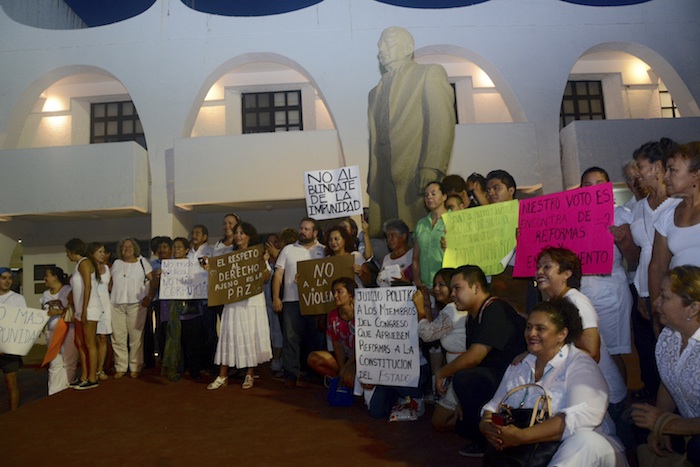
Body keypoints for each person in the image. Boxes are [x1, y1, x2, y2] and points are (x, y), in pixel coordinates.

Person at [480, 300, 626, 466]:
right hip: (531, 454)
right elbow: (493, 408)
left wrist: (521, 436)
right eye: (528, 327)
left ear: (561, 334)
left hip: (588, 454)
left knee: (585, 440)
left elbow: (577, 420)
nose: (531, 333)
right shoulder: (520, 365)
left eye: (540, 328)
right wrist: (489, 428)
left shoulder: (580, 365)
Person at [367, 26, 455, 236]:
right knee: (393, 237)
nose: (380, 47)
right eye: (380, 43)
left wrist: (432, 166)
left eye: (386, 42)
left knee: (422, 234)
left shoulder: (428, 74)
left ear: (408, 47)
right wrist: (373, 177)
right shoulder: (374, 92)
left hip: (413, 170)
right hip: (384, 175)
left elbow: (441, 121)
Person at [435, 265, 527, 457]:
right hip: (493, 378)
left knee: (465, 378)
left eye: (457, 288)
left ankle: (489, 442)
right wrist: (463, 398)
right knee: (461, 425)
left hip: (515, 383)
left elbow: (474, 357)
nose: (452, 294)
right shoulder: (472, 317)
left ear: (476, 287)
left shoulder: (495, 309)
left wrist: (442, 372)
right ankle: (483, 435)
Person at [535, 247, 627, 423]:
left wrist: (547, 354)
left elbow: (592, 353)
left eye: (547, 267)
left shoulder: (577, 302)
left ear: (566, 274)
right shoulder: (553, 304)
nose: (539, 272)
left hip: (605, 399)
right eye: (538, 267)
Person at [631, 266, 700, 464]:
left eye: (665, 297)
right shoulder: (668, 335)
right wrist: (658, 425)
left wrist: (666, 425)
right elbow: (669, 380)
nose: (656, 302)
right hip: (686, 422)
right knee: (636, 420)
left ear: (693, 308)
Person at [629, 139, 680, 398]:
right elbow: (639, 256)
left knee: (673, 357)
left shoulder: (677, 205)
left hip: (669, 291)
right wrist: (641, 294)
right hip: (643, 291)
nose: (637, 173)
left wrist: (659, 297)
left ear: (658, 167)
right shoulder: (639, 206)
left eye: (641, 167)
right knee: (649, 357)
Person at [579, 167, 634, 380]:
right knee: (586, 350)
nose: (594, 189)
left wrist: (623, 240)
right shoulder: (573, 218)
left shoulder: (620, 214)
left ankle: (621, 402)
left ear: (608, 187)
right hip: (582, 290)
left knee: (610, 351)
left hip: (610, 289)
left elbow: (634, 258)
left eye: (600, 183)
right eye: (587, 185)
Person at [208, 222, 272, 390]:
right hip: (233, 302)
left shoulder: (258, 254)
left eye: (242, 233)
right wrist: (209, 268)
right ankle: (222, 375)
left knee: (250, 335)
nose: (238, 236)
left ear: (249, 236)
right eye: (237, 233)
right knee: (228, 335)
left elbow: (266, 277)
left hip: (252, 302)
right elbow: (218, 276)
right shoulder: (229, 256)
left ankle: (250, 374)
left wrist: (263, 262)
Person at [272, 218, 326, 388]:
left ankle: (314, 374)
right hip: (291, 301)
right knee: (291, 339)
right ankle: (291, 374)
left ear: (315, 233)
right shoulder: (288, 249)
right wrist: (276, 298)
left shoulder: (323, 250)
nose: (303, 231)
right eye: (301, 228)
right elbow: (278, 275)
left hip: (315, 302)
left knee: (315, 338)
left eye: (307, 229)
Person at [412, 268, 469, 432]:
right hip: (456, 370)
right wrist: (427, 307)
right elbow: (435, 331)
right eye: (435, 284)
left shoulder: (452, 309)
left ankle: (471, 423)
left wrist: (420, 309)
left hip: (461, 371)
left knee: (438, 422)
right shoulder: (452, 308)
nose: (436, 288)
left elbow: (427, 334)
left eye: (442, 285)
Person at [649, 142, 700, 320]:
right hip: (679, 307)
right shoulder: (667, 216)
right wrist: (658, 307)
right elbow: (657, 267)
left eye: (673, 170)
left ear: (696, 175)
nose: (666, 177)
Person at [485, 169, 530, 315]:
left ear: (511, 190)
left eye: (496, 188)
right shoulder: (482, 219)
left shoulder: (526, 214)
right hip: (486, 280)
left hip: (514, 280)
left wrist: (525, 238)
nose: (491, 193)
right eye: (488, 190)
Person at [161, 237, 206, 382]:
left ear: (187, 250)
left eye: (179, 247)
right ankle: (176, 369)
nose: (176, 250)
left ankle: (195, 369)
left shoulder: (194, 265)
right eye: (174, 247)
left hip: (191, 311)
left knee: (193, 342)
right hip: (174, 312)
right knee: (175, 341)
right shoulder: (167, 266)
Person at [110, 237, 153, 379]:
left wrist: (149, 297)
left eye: (129, 246)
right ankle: (120, 366)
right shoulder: (116, 264)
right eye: (124, 247)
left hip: (137, 304)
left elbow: (153, 281)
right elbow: (109, 283)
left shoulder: (143, 262)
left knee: (136, 337)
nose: (126, 249)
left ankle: (135, 366)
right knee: (118, 337)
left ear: (135, 248)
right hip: (116, 304)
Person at [307, 277, 357, 388]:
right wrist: (341, 367)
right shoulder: (332, 316)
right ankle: (336, 379)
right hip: (345, 358)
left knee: (350, 378)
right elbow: (336, 344)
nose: (335, 296)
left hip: (358, 359)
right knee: (313, 358)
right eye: (334, 292)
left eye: (339, 292)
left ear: (350, 295)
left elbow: (361, 346)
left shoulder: (361, 314)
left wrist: (346, 368)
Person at [65, 238, 100, 390]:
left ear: (73, 251)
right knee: (79, 343)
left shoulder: (85, 263)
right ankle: (84, 375)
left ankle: (93, 377)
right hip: (80, 309)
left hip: (89, 308)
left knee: (89, 343)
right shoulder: (78, 265)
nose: (67, 255)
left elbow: (88, 287)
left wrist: (84, 310)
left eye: (67, 252)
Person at [40, 267, 78, 395]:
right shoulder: (45, 294)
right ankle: (53, 393)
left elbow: (74, 310)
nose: (45, 278)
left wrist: (58, 312)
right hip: (52, 332)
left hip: (68, 330)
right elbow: (42, 312)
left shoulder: (68, 291)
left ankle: (66, 391)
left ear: (55, 277)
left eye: (47, 276)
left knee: (69, 362)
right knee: (54, 363)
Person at [412, 181, 448, 289]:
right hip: (425, 285)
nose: (429, 197)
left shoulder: (454, 221)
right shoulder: (421, 224)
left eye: (433, 193)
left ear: (444, 196)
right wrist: (418, 283)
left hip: (447, 285)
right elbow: (416, 258)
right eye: (426, 195)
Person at [0, 267, 26, 410]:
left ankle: (13, 414)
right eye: (3, 278)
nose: (7, 281)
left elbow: (22, 323)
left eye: (9, 278)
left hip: (9, 349)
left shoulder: (18, 299)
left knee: (12, 383)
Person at [87, 243, 112, 381]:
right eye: (99, 252)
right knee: (91, 339)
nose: (103, 254)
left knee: (103, 338)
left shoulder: (107, 268)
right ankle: (91, 368)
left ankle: (100, 369)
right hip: (92, 305)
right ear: (92, 253)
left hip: (105, 305)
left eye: (103, 251)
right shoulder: (87, 267)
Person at [376, 218, 413, 288]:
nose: (390, 239)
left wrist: (405, 281)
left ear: (404, 236)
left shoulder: (413, 255)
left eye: (393, 235)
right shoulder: (386, 258)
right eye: (387, 236)